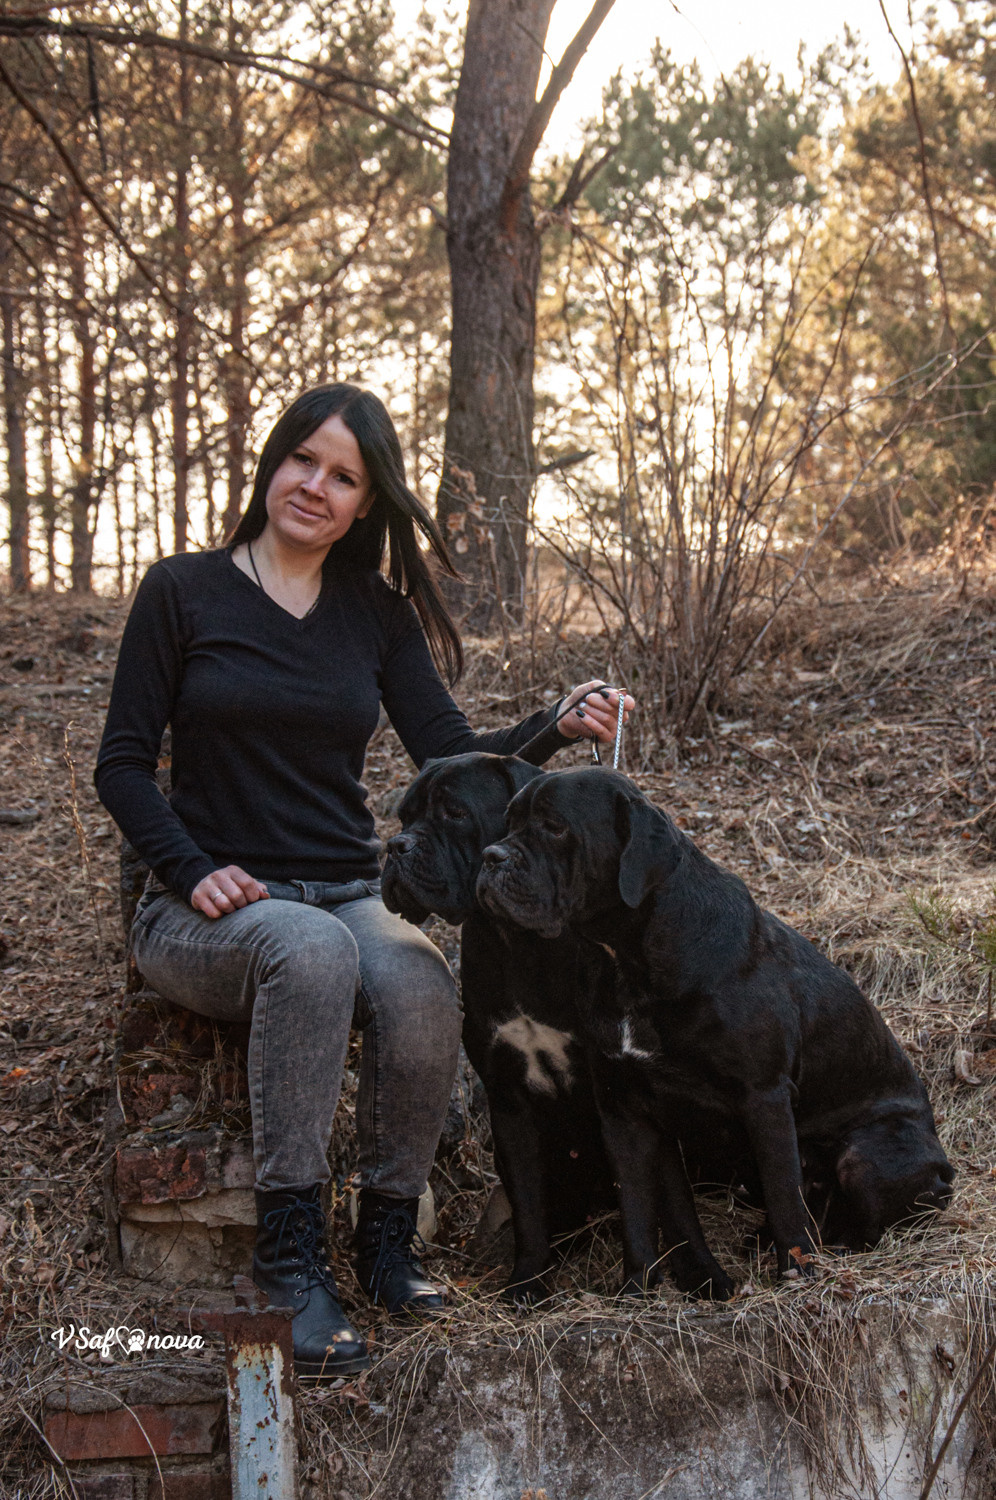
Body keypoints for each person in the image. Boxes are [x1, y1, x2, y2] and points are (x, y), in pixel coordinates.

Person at [95, 382, 634, 1378]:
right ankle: (290, 1266)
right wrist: (190, 868)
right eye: (304, 459)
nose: (316, 486)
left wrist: (555, 727)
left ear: (365, 504)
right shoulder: (182, 591)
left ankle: (387, 1249)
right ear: (272, 462)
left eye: (344, 477)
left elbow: (449, 758)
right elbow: (120, 763)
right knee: (311, 955)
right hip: (204, 909)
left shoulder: (371, 614)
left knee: (419, 975)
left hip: (345, 889)